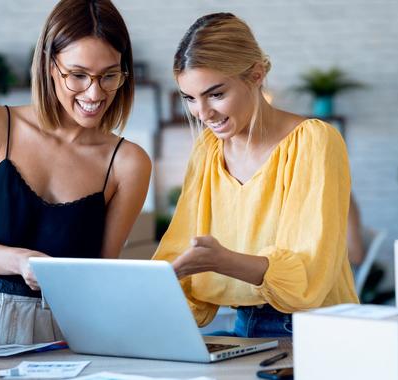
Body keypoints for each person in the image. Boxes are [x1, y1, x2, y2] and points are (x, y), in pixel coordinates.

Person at [0, 0, 151, 345]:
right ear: (50, 66)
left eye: (109, 75)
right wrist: (20, 260)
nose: (95, 93)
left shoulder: (129, 163)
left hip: (58, 329)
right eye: (78, 75)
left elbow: (99, 274)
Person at [152, 13, 358, 338]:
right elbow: (178, 248)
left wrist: (221, 261)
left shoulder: (314, 141)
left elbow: (308, 274)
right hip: (245, 325)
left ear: (257, 75)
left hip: (317, 329)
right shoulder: (208, 149)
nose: (203, 114)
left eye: (216, 94)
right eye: (190, 99)